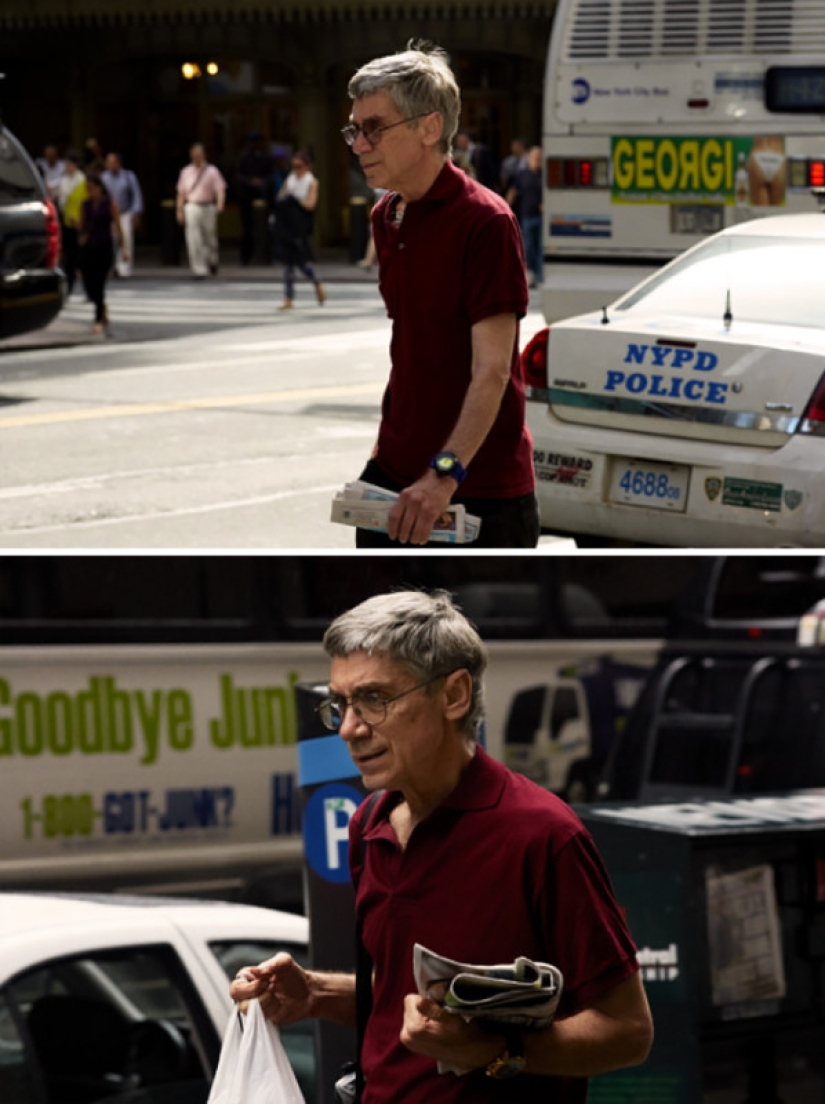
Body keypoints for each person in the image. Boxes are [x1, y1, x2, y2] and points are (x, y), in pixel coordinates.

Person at [230, 589, 654, 1104]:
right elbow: (399, 1003)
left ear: (453, 695)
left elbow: (628, 1031)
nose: (348, 728)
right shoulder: (369, 825)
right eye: (340, 704)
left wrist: (495, 1050)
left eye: (374, 700)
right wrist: (314, 994)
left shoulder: (541, 833)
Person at [339, 40, 538, 548]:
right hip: (394, 474)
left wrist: (443, 476)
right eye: (355, 130)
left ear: (429, 128)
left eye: (374, 128)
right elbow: (415, 351)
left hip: (478, 487)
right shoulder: (385, 216)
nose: (360, 145)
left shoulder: (487, 222)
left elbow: (492, 370)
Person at [272, 149, 325, 309]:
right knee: (288, 263)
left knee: (302, 261)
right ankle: (289, 298)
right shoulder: (290, 179)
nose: (296, 170)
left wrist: (295, 202)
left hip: (301, 224)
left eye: (299, 166)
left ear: (307, 167)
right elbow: (280, 197)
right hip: (287, 225)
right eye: (293, 166)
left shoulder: (312, 182)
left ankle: (316, 282)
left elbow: (311, 204)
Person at [79, 173, 127, 334]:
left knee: (99, 283)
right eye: (88, 189)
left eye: (92, 188)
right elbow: (82, 226)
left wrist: (124, 248)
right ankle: (101, 306)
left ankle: (98, 318)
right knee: (88, 282)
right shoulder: (85, 205)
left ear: (100, 188)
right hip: (89, 247)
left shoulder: (109, 204)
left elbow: (119, 226)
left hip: (104, 247)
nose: (89, 192)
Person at [175, 142, 226, 279]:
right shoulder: (185, 172)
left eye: (199, 154)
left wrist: (220, 203)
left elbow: (219, 189)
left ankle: (212, 260)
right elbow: (181, 193)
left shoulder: (212, 171)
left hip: (208, 206)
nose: (197, 157)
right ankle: (199, 269)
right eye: (194, 155)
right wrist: (179, 210)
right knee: (193, 238)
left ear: (204, 155)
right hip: (192, 206)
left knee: (210, 237)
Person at [101, 152, 144, 278]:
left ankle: (124, 268)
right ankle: (113, 266)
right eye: (108, 163)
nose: (110, 165)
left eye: (112, 163)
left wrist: (136, 213)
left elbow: (136, 195)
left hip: (125, 212)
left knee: (125, 239)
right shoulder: (103, 177)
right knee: (110, 241)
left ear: (119, 163)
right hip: (108, 214)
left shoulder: (129, 176)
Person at [507, 145, 544, 288]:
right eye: (534, 158)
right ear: (529, 159)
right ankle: (531, 275)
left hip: (541, 217)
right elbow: (513, 191)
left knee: (541, 247)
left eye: (539, 158)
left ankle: (540, 276)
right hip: (527, 216)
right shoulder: (521, 174)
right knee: (528, 247)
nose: (537, 160)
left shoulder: (544, 174)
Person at [237, 131, 275, 265]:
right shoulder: (244, 157)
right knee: (247, 228)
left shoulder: (267, 157)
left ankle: (265, 256)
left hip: (263, 196)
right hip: (247, 196)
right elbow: (239, 176)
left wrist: (262, 182)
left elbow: (271, 176)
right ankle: (246, 257)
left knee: (264, 228)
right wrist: (250, 182)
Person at [56, 149, 87, 296]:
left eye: (70, 165)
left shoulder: (82, 180)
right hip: (66, 223)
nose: (67, 167)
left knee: (79, 258)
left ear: (76, 165)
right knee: (68, 258)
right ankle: (69, 288)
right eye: (66, 164)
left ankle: (87, 288)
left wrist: (81, 222)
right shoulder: (64, 180)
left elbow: (84, 203)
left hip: (78, 224)